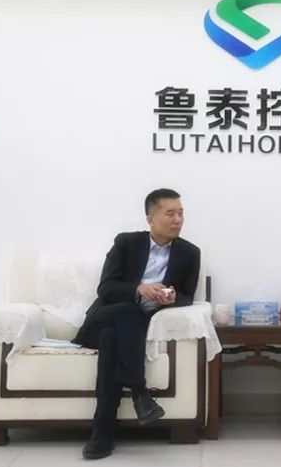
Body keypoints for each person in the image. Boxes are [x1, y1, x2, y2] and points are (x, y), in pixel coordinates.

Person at [72, 188, 200, 460]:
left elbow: (187, 295)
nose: (178, 219)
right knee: (125, 313)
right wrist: (139, 289)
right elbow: (106, 288)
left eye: (181, 213)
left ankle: (103, 433)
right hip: (105, 316)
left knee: (112, 339)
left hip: (137, 328)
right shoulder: (126, 243)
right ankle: (139, 391)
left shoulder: (190, 253)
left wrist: (172, 298)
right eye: (170, 213)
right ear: (151, 219)